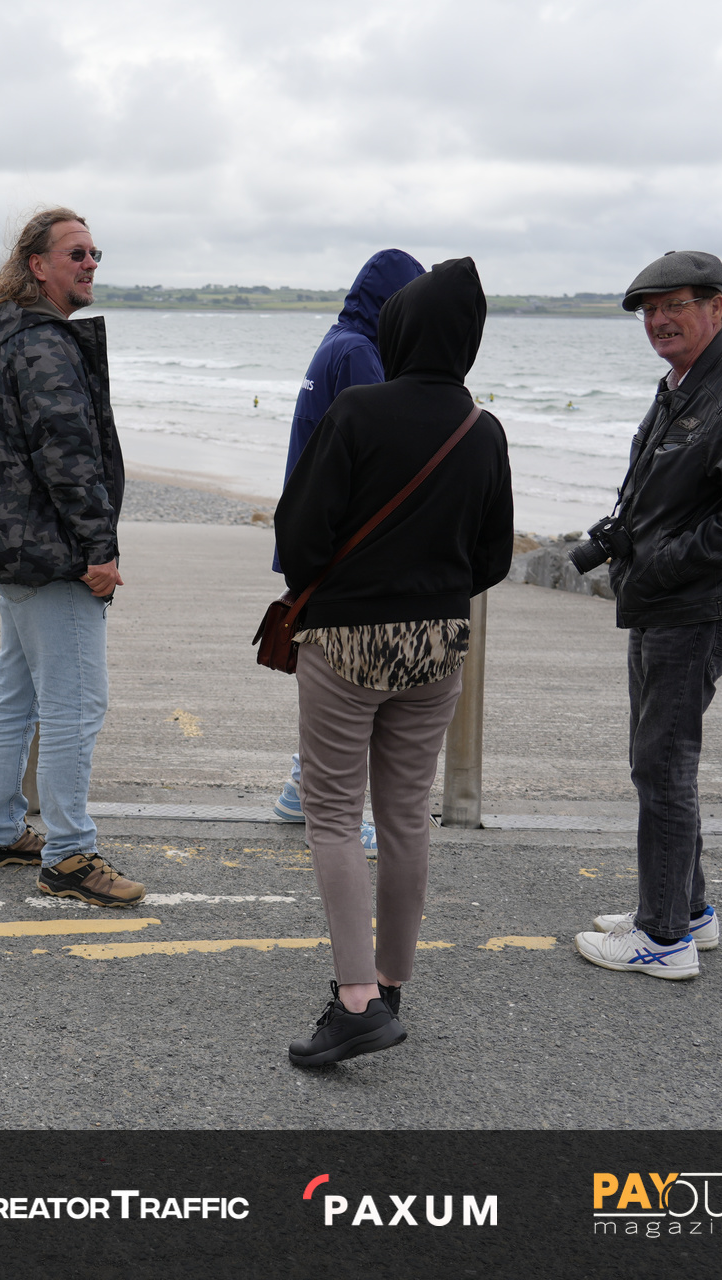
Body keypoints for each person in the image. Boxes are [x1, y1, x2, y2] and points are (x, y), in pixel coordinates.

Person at [274, 257, 513, 1067]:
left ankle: (356, 1003)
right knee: (407, 815)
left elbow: (300, 539)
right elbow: (492, 558)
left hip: (347, 642)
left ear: (400, 329)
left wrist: (349, 582)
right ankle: (393, 982)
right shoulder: (483, 429)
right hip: (438, 644)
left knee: (335, 817)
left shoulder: (358, 411)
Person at [573, 251, 722, 981]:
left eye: (676, 306)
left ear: (716, 307)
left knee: (663, 763)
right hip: (663, 601)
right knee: (659, 759)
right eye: (650, 310)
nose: (659, 321)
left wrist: (663, 563)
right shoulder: (684, 384)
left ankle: (663, 937)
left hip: (694, 606)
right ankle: (687, 910)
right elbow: (671, 491)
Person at [0, 207, 144, 908]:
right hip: (49, 552)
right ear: (37, 266)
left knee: (18, 696)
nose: (91, 263)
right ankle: (68, 856)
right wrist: (99, 550)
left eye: (95, 253)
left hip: (16, 546)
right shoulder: (43, 346)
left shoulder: (14, 338)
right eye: (76, 254)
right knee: (76, 703)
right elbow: (68, 458)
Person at [270, 249, 426, 822]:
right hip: (340, 536)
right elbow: (379, 447)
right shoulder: (361, 352)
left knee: (331, 672)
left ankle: (300, 787)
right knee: (351, 677)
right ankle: (334, 808)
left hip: (311, 526)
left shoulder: (338, 342)